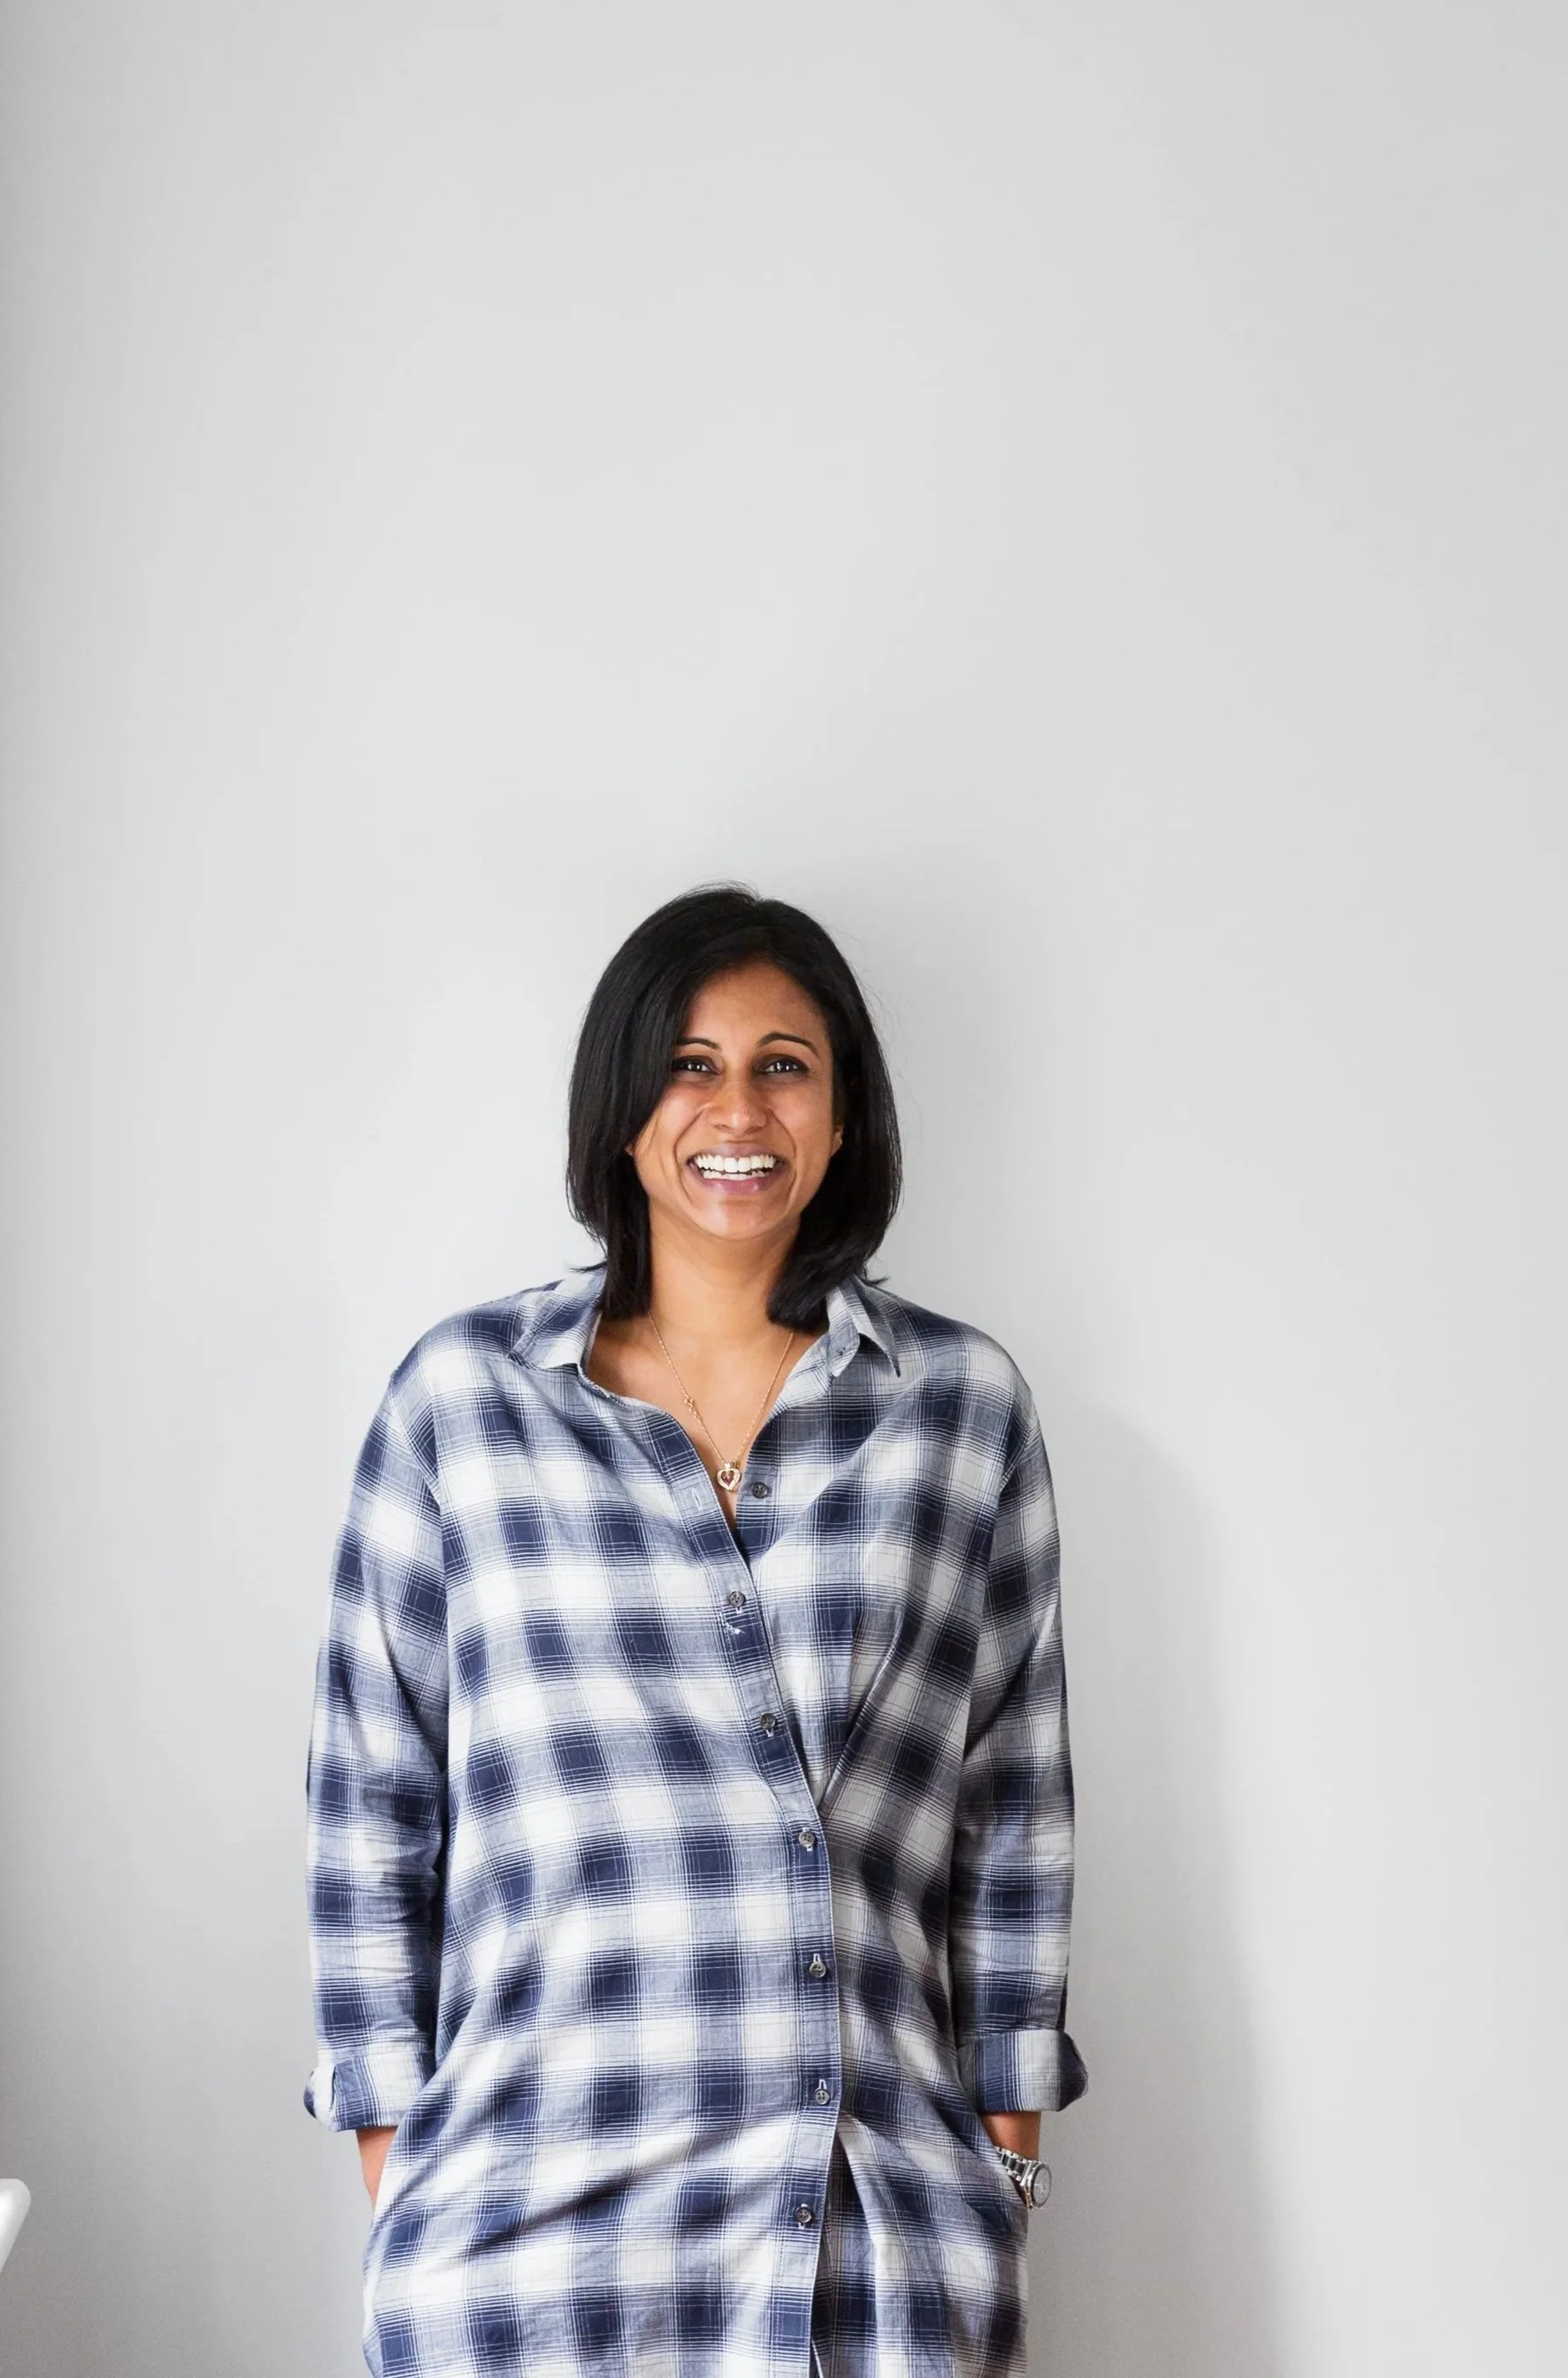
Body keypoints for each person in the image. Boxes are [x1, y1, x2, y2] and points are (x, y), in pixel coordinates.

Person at [303, 885, 1087, 2378]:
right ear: (621, 1107)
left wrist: (1001, 2173)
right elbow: (370, 1806)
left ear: (844, 1113)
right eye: (690, 1062)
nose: (738, 1107)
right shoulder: (462, 1406)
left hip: (864, 2252)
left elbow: (1013, 1819)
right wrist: (399, 2169)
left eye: (783, 1063)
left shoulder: (960, 1410)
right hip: (519, 2254)